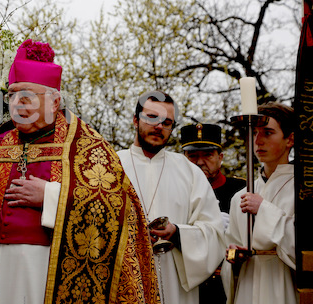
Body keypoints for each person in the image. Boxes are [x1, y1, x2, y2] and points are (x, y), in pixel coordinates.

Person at [0, 39, 160, 304]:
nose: (17, 103)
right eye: (12, 94)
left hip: (49, 274)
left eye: (27, 95)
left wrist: (52, 197)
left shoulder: (88, 146)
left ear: (54, 102)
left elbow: (121, 211)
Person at [116, 91, 225, 304]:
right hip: (125, 276)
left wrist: (177, 233)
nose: (159, 126)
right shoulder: (112, 165)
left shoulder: (189, 171)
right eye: (152, 118)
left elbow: (215, 233)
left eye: (167, 122)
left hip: (174, 283)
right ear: (135, 120)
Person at [223, 102, 296, 304]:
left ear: (290, 139)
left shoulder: (302, 191)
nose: (257, 141)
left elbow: (304, 248)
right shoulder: (240, 196)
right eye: (254, 133)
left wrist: (263, 209)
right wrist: (233, 258)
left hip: (283, 287)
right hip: (247, 285)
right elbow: (229, 252)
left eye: (267, 132)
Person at [180, 123, 246, 304]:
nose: (200, 162)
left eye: (208, 155)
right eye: (192, 156)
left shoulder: (241, 189)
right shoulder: (176, 193)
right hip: (188, 285)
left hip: (229, 281)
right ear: (183, 159)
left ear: (220, 157)